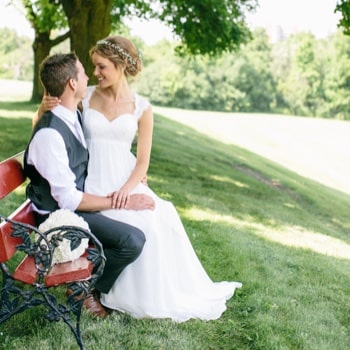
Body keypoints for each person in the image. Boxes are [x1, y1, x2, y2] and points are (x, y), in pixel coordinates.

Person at [36, 36, 242, 322]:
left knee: (159, 218)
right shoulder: (86, 95)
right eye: (93, 67)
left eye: (102, 66)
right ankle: (98, 291)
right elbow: (54, 123)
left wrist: (127, 189)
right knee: (132, 225)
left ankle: (149, 293)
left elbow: (143, 160)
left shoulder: (142, 109)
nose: (96, 73)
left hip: (124, 178)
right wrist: (42, 108)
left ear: (120, 65)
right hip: (93, 182)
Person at [25, 52, 156, 319]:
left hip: (73, 206)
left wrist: (132, 172)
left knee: (140, 224)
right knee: (132, 240)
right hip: (59, 218)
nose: (89, 77)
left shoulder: (72, 117)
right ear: (73, 84)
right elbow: (69, 201)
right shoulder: (51, 133)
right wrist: (123, 201)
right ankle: (88, 290)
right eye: (84, 72)